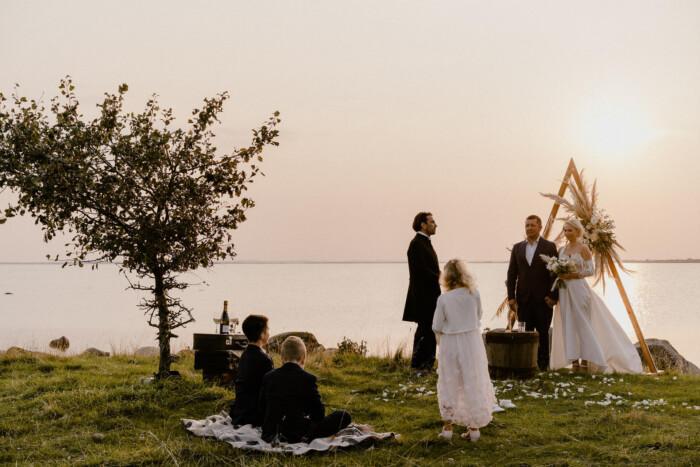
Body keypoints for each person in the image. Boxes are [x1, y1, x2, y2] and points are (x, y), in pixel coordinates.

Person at [549, 218, 643, 373]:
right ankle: (574, 360)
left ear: (577, 231)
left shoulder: (583, 248)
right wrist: (559, 272)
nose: (566, 233)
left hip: (578, 289)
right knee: (568, 323)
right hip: (564, 291)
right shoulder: (561, 250)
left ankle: (586, 359)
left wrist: (573, 275)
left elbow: (590, 270)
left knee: (583, 323)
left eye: (569, 230)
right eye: (565, 230)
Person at [432, 259, 496, 442]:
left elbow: (436, 325)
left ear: (446, 277)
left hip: (451, 342)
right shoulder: (474, 293)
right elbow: (479, 315)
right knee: (472, 380)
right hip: (472, 342)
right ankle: (474, 429)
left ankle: (447, 429)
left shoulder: (444, 298)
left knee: (449, 381)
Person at [259, 336, 352, 443]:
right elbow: (318, 415)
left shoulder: (268, 377)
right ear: (303, 358)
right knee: (344, 416)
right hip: (297, 433)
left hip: (271, 431)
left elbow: (262, 408)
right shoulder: (308, 379)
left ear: (282, 357)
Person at [506, 214, 559, 370]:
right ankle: (527, 366)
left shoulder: (549, 247)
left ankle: (543, 366)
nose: (529, 228)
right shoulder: (517, 248)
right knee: (525, 334)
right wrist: (511, 297)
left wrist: (553, 297)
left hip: (543, 300)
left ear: (540, 227)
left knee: (543, 334)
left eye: (532, 225)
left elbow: (555, 274)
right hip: (523, 300)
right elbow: (511, 274)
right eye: (527, 225)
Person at [403, 211, 441, 372]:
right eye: (432, 222)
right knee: (425, 330)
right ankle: (419, 365)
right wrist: (441, 277)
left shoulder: (425, 242)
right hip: (423, 297)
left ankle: (426, 364)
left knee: (429, 330)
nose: (435, 225)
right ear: (423, 225)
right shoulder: (416, 244)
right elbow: (421, 272)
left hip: (430, 296)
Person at [229, 315, 273, 427]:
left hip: (240, 412)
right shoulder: (264, 359)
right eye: (267, 329)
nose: (269, 332)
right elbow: (270, 390)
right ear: (262, 334)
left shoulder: (245, 354)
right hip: (254, 415)